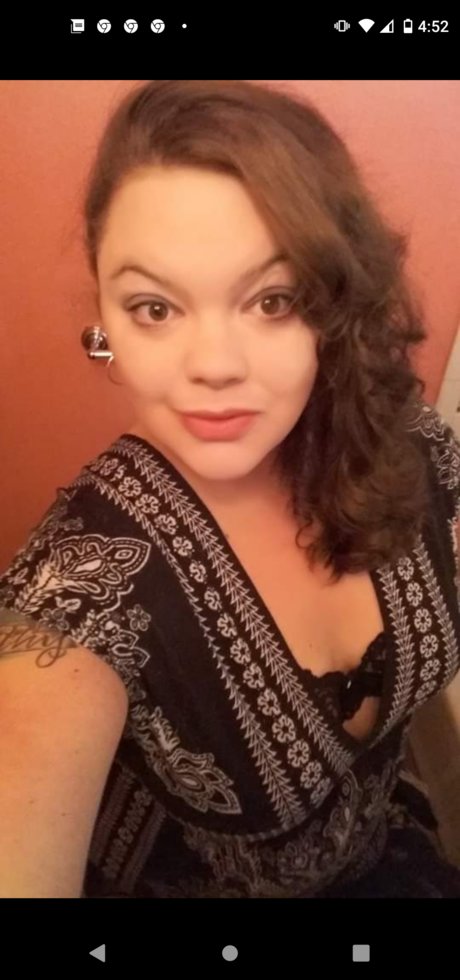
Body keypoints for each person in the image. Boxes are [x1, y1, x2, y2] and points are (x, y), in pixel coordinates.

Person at [1, 79, 460, 899]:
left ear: (334, 300)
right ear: (105, 314)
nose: (213, 365)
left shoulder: (412, 442)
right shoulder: (79, 594)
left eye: (272, 300)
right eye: (154, 308)